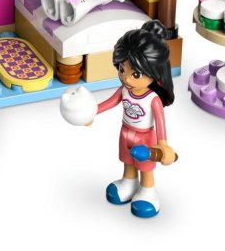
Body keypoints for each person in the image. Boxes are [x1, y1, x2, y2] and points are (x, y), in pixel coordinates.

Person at [59, 21, 177, 218]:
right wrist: (91, 113)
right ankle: (128, 183)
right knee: (128, 160)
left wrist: (163, 144)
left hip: (145, 137)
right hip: (125, 132)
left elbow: (160, 121)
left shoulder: (152, 99)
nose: (126, 78)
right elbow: (109, 103)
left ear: (155, 72)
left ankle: (148, 190)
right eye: (122, 69)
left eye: (135, 74)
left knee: (145, 167)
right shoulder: (124, 90)